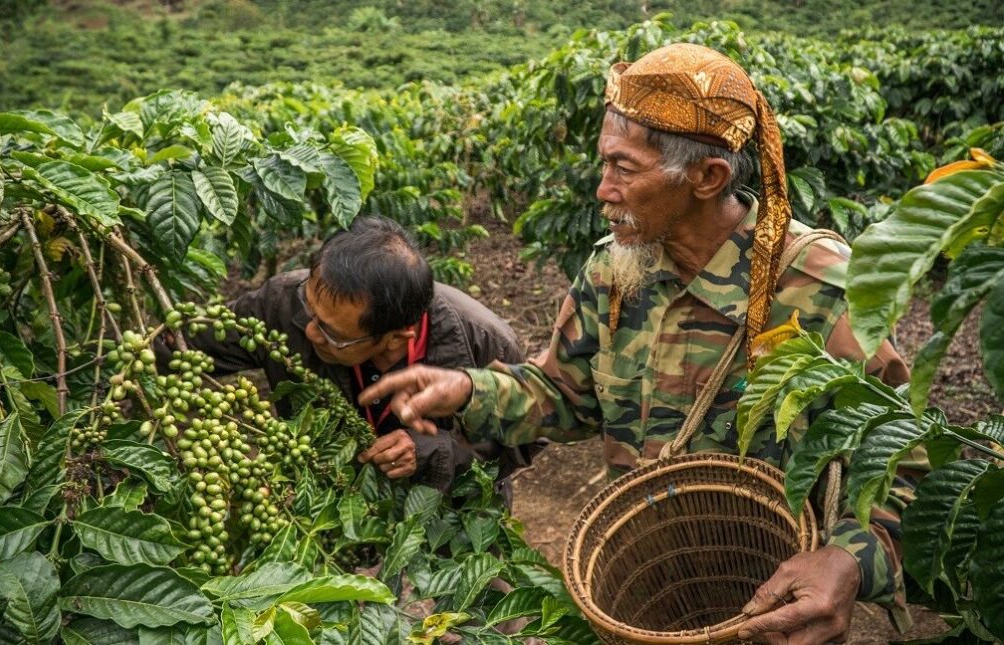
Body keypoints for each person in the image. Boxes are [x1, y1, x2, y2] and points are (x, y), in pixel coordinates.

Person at [359, 44, 924, 643]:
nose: (603, 190)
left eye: (625, 170)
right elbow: (565, 395)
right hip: (648, 589)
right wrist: (468, 390)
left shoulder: (815, 284)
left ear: (708, 178)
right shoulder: (612, 273)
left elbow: (905, 454)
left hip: (771, 606)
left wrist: (847, 560)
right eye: (605, 165)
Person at [181, 215, 539, 497]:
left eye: (330, 334)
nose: (309, 331)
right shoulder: (284, 302)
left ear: (397, 337)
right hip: (334, 492)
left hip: (450, 503)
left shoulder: (483, 342)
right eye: (310, 310)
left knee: (480, 586)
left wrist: (437, 452)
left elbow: (525, 439)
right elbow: (190, 343)